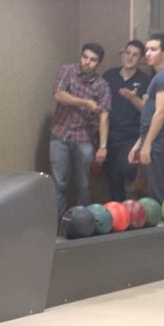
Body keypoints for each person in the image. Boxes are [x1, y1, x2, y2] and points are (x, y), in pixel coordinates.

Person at [50, 42, 111, 221]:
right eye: (85, 57)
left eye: (93, 60)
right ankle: (57, 226)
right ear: (80, 56)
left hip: (84, 138)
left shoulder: (102, 85)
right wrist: (85, 102)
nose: (87, 62)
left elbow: (104, 116)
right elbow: (58, 95)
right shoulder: (67, 70)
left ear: (98, 63)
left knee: (83, 185)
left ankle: (80, 224)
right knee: (58, 183)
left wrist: (103, 146)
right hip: (59, 134)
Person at [128, 33, 164, 202]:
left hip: (159, 141)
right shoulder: (159, 75)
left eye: (153, 49)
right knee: (153, 189)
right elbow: (150, 114)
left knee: (161, 192)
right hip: (153, 139)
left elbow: (161, 113)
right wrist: (140, 142)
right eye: (147, 49)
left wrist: (147, 144)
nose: (148, 53)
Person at [103, 40, 150, 201]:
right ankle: (119, 216)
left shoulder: (145, 80)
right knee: (112, 179)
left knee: (127, 168)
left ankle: (133, 205)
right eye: (127, 53)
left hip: (132, 135)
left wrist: (133, 98)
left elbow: (147, 111)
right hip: (110, 134)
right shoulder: (109, 76)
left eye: (135, 55)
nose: (130, 57)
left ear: (141, 59)